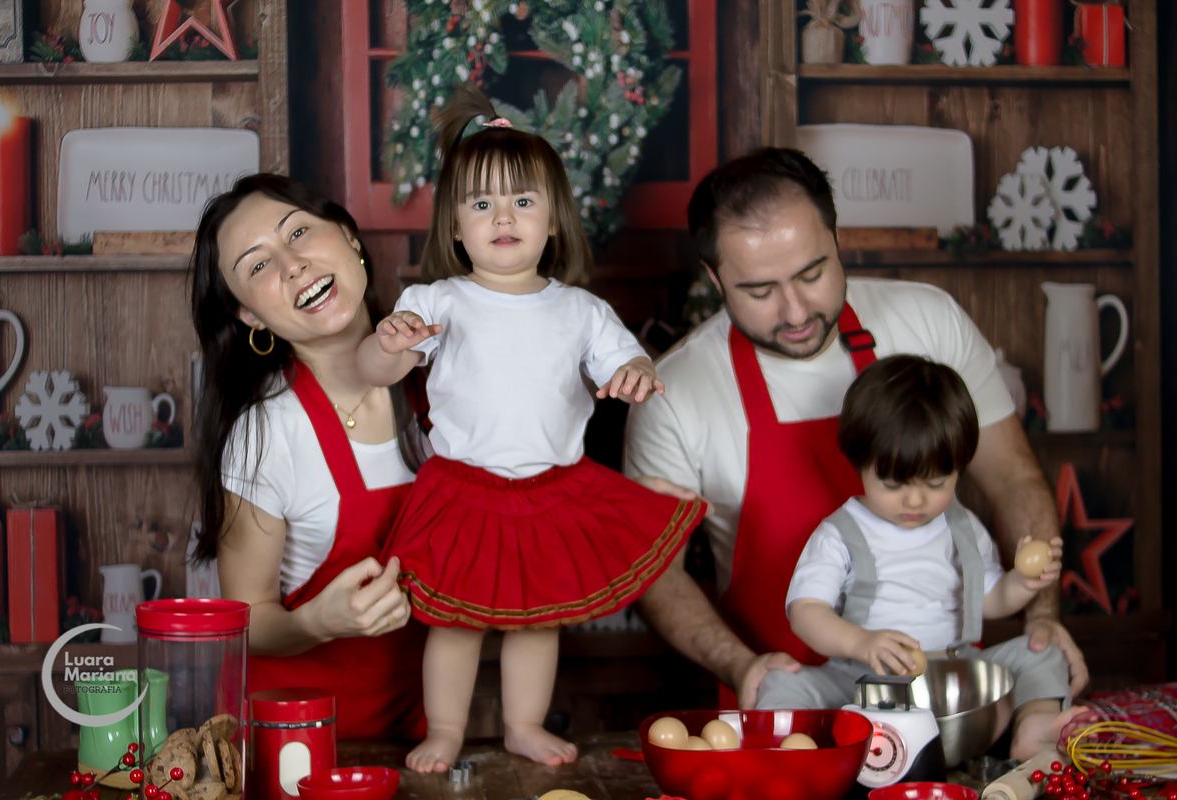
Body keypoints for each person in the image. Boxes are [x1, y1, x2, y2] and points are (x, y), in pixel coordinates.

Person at [624, 147, 1088, 711]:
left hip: (943, 691)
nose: (795, 312)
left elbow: (1012, 476)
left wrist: (1041, 618)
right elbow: (654, 573)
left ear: (837, 239)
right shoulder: (676, 393)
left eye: (811, 273)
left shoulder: (928, 321)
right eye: (759, 291)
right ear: (714, 277)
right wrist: (741, 666)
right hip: (796, 705)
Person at [357, 84, 708, 773]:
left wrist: (635, 371)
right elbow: (375, 370)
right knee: (456, 621)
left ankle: (521, 723)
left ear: (553, 221)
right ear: (455, 228)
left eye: (523, 201)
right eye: (481, 204)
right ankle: (449, 730)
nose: (503, 217)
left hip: (553, 487)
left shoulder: (579, 309)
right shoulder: (439, 301)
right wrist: (389, 340)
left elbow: (623, 359)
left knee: (537, 617)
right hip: (464, 487)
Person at [189, 174, 430, 740]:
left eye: (298, 231)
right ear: (250, 316)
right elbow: (245, 620)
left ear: (348, 236)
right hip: (296, 751)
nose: (291, 264)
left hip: (423, 737)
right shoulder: (266, 433)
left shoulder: (439, 384)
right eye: (257, 266)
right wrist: (318, 621)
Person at [758, 354, 1077, 760]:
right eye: (893, 484)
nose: (915, 500)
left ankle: (1034, 730)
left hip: (956, 679)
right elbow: (805, 612)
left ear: (959, 469)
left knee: (1039, 650)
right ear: (860, 464)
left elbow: (990, 599)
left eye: (935, 483)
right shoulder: (841, 533)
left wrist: (1022, 584)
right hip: (861, 680)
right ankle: (791, 760)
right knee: (782, 683)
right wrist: (861, 642)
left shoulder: (962, 527)